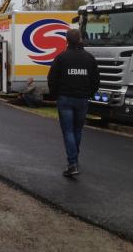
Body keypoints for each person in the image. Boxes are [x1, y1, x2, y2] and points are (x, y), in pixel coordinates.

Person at [48, 29, 100, 177]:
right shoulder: (89, 58)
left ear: (67, 41)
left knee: (68, 131)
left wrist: (55, 94)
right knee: (77, 130)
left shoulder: (61, 58)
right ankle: (74, 160)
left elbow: (52, 78)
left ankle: (72, 163)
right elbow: (96, 80)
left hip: (65, 98)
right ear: (80, 40)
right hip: (82, 99)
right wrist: (89, 93)